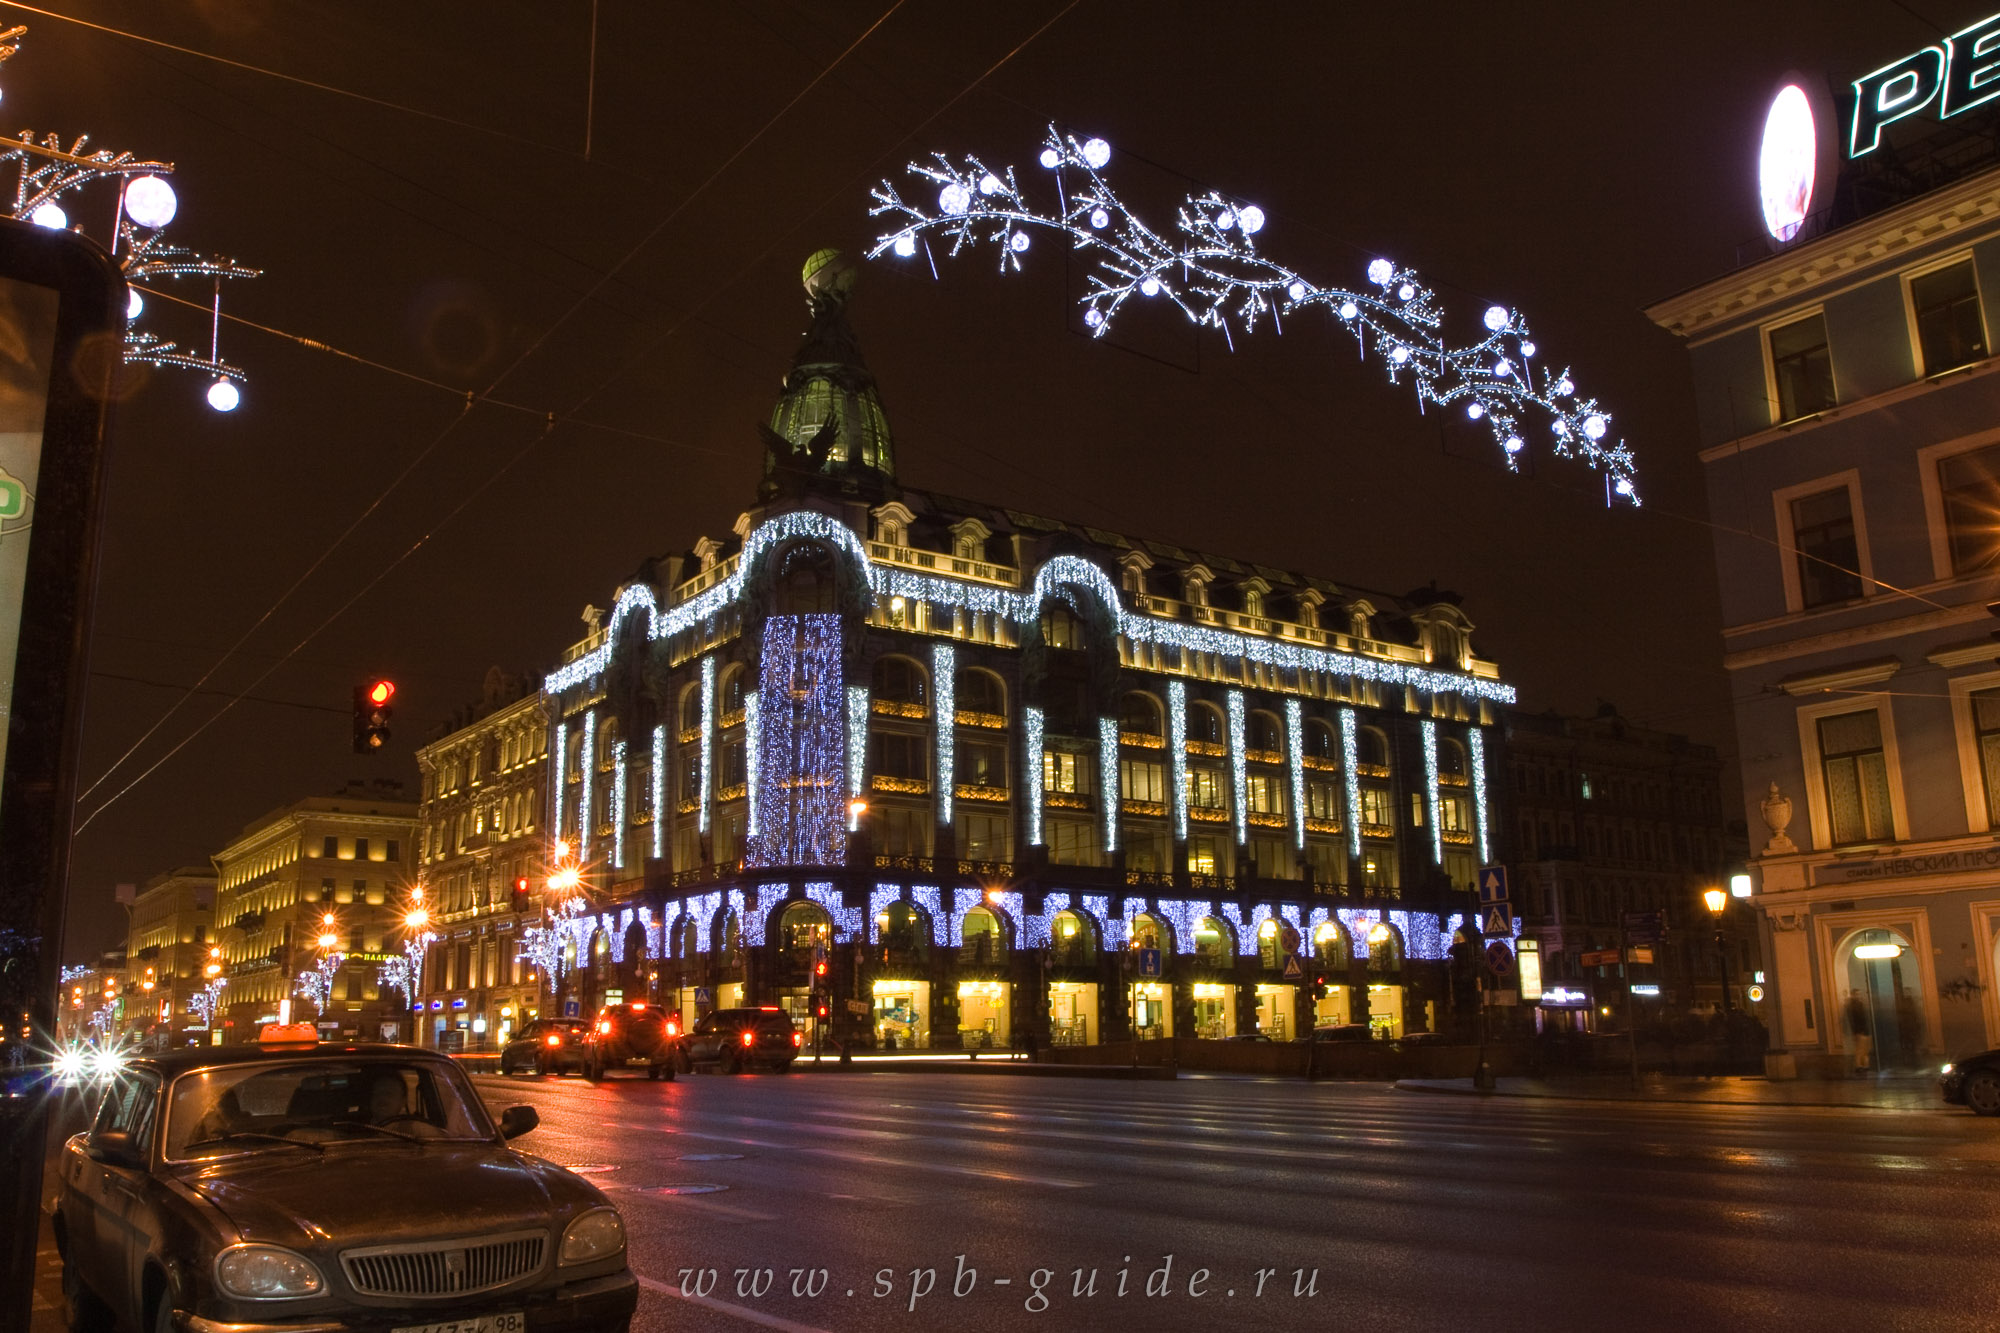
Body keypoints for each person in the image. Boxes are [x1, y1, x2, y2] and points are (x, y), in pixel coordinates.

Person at [1844, 990, 1872, 1077]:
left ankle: (1863, 1065)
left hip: (1862, 1030)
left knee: (1863, 1049)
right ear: (1853, 995)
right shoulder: (1855, 1005)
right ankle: (1860, 1066)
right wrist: (1858, 1030)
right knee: (1861, 1049)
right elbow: (1858, 1019)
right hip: (1861, 1030)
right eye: (1857, 994)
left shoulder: (1856, 1004)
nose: (1859, 996)